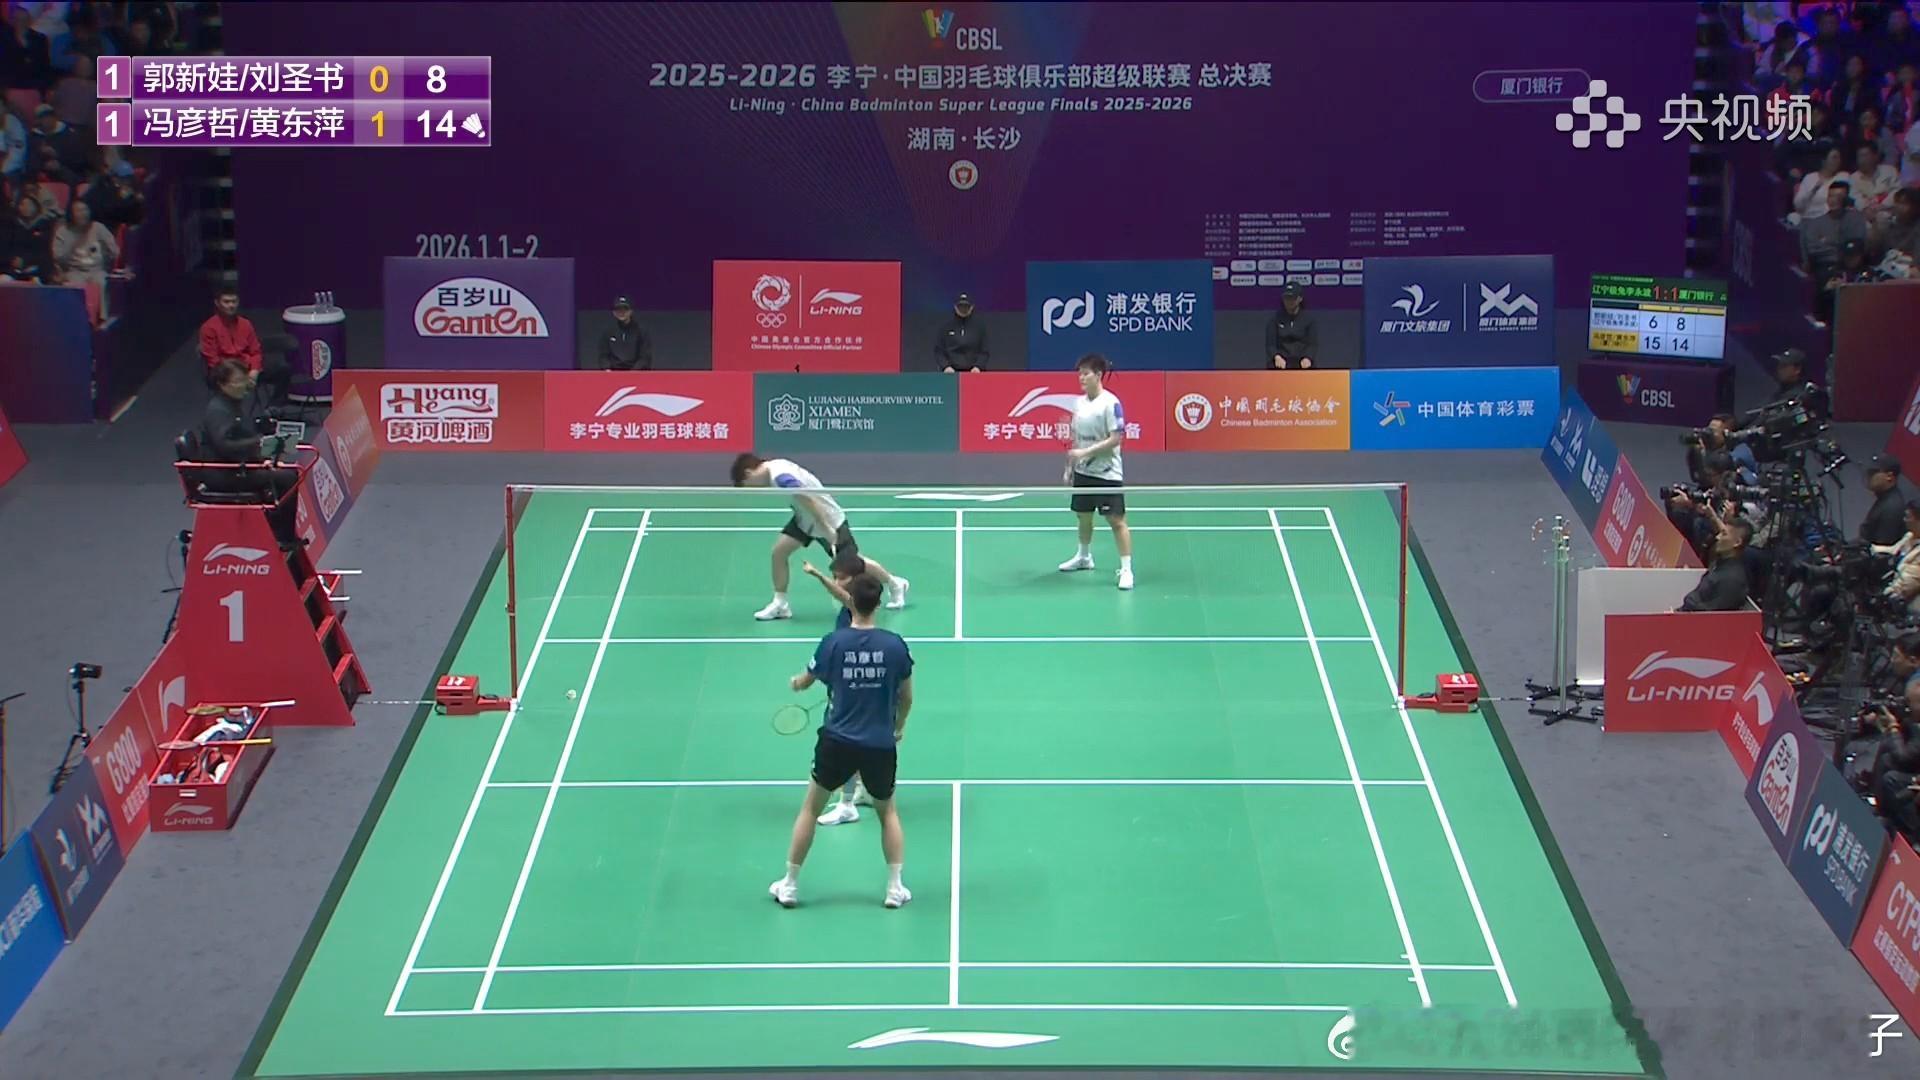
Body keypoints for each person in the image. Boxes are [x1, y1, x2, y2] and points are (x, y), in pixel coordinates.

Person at [770, 574, 913, 909]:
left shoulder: (833, 642)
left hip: (837, 741)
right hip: (879, 744)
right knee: (887, 813)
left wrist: (797, 683)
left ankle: (789, 885)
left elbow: (807, 680)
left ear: (850, 602)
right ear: (878, 603)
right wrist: (898, 727)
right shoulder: (895, 646)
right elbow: (906, 698)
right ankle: (894, 889)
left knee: (810, 809)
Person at [729, 453, 908, 620]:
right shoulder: (775, 465)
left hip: (827, 519)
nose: (753, 488)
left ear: (748, 473)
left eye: (748, 485)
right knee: (779, 553)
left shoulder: (780, 476)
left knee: (854, 563)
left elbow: (807, 498)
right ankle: (780, 604)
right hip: (804, 520)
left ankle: (895, 583)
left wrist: (827, 528)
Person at [801, 548, 877, 825]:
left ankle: (846, 805)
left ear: (854, 580)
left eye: (840, 577)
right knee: (862, 738)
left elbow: (840, 595)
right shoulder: (863, 603)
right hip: (854, 673)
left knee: (847, 739)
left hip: (848, 676)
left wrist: (817, 575)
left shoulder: (854, 605)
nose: (837, 582)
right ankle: (864, 790)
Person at [196, 358, 299, 545]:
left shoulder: (233, 403)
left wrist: (262, 456)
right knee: (288, 478)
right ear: (223, 384)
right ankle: (283, 536)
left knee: (290, 470)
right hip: (224, 474)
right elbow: (226, 446)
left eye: (245, 379)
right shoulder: (218, 411)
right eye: (239, 381)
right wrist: (260, 446)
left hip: (238, 465)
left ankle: (275, 527)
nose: (245, 384)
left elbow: (241, 437)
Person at [1056, 353, 1134, 590]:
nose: (1081, 377)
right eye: (1079, 373)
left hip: (1107, 472)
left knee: (1116, 520)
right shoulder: (1079, 403)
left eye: (1085, 373)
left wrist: (1085, 453)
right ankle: (1084, 557)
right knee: (1083, 516)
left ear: (1098, 375)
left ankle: (1127, 569)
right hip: (1083, 471)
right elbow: (1076, 439)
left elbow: (1116, 439)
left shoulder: (1111, 403)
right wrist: (1070, 467)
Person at [1678, 516, 1753, 611]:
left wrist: (1690, 601)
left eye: (1724, 534)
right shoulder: (1718, 564)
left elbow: (1712, 615)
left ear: (1737, 542)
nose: (1718, 537)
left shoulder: (1732, 580)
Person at [1264, 282, 1318, 369]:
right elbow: (1270, 345)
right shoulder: (1274, 320)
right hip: (1281, 360)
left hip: (1302, 360)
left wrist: (1308, 358)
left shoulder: (1309, 320)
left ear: (1300, 299)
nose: (1289, 301)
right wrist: (1277, 357)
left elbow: (1312, 344)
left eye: (1292, 298)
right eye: (1286, 298)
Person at [934, 292, 988, 372]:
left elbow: (984, 351)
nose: (963, 309)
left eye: (966, 306)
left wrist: (978, 367)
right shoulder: (946, 328)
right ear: (955, 306)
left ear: (972, 307)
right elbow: (939, 351)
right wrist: (946, 367)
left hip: (974, 372)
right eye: (961, 306)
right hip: (950, 372)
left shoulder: (979, 328)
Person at [1863, 455, 1909, 547]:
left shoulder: (1892, 507)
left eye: (1873, 472)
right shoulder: (1885, 500)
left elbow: (1883, 548)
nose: (1868, 477)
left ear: (1889, 476)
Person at [597, 296, 652, 370]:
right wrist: (607, 370)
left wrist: (633, 372)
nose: (622, 312)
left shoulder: (641, 332)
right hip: (613, 373)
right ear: (614, 312)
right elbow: (603, 356)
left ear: (631, 311)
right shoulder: (608, 332)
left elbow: (645, 357)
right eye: (618, 309)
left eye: (625, 309)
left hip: (635, 372)